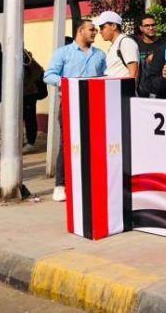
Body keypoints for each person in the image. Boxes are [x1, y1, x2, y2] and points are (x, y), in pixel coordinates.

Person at [43, 19, 106, 201]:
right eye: (91, 29)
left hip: (95, 104)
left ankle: (90, 182)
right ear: (80, 31)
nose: (95, 32)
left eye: (95, 30)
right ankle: (60, 185)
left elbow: (105, 75)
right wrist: (67, 83)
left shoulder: (100, 54)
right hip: (70, 103)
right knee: (67, 143)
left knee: (94, 143)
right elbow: (49, 75)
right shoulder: (63, 53)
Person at [94, 11, 139, 79]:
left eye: (102, 27)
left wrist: (130, 86)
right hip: (114, 85)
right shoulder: (116, 44)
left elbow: (134, 74)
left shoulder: (126, 42)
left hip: (123, 86)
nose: (100, 31)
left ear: (113, 26)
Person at [22, 49, 45, 153]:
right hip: (18, 94)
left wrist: (27, 84)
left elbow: (38, 70)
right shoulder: (12, 55)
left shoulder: (25, 57)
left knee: (29, 118)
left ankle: (30, 142)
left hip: (29, 94)